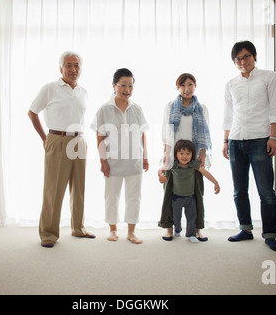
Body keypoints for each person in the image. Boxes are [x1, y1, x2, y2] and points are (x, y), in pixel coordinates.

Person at [28, 51, 95, 248]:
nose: (73, 69)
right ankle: (48, 234)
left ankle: (78, 228)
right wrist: (45, 138)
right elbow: (32, 112)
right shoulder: (50, 88)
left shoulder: (83, 91)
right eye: (69, 65)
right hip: (58, 140)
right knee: (54, 189)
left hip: (79, 141)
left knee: (79, 188)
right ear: (61, 69)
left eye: (77, 66)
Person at [222, 40, 276, 252]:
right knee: (239, 190)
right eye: (238, 59)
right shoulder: (231, 84)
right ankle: (246, 229)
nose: (242, 61)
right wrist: (225, 140)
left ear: (254, 56)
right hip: (236, 141)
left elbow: (275, 109)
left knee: (266, 191)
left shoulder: (269, 77)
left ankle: (270, 234)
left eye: (246, 56)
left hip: (260, 140)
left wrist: (273, 138)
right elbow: (228, 116)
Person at [91, 68, 149, 244]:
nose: (127, 89)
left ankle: (131, 232)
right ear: (114, 86)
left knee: (134, 197)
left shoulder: (137, 109)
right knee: (112, 196)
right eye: (123, 85)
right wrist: (103, 161)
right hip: (113, 161)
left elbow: (142, 134)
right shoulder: (104, 110)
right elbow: (100, 136)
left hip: (134, 161)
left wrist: (145, 157)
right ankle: (113, 230)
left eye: (130, 85)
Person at [159, 73, 212, 241]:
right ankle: (169, 228)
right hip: (174, 158)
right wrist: (166, 154)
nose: (186, 89)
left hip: (194, 158)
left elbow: (205, 132)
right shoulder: (170, 106)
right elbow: (167, 132)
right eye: (182, 85)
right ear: (177, 88)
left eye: (190, 84)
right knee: (169, 194)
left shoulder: (202, 108)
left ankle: (197, 229)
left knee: (197, 195)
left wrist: (202, 153)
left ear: (195, 86)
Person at [159, 140, 220, 242]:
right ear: (176, 154)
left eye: (188, 153)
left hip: (190, 198)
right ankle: (177, 230)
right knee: (176, 217)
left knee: (192, 217)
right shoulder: (173, 164)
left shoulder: (193, 164)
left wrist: (215, 182)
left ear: (192, 154)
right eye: (181, 153)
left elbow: (205, 172)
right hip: (176, 198)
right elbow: (161, 168)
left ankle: (191, 234)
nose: (184, 156)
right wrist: (160, 174)